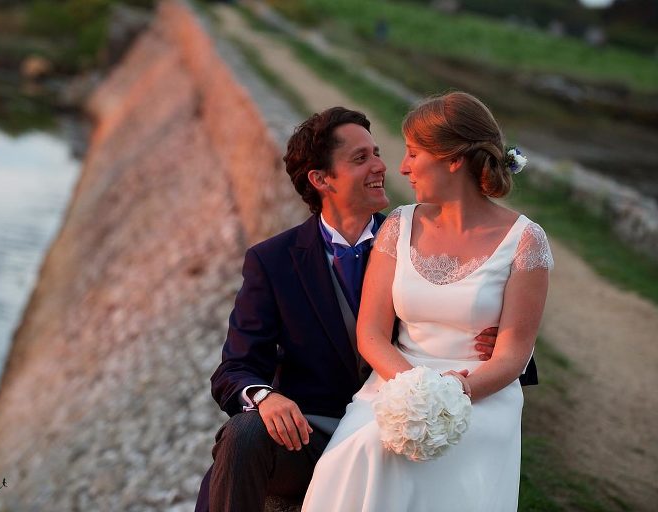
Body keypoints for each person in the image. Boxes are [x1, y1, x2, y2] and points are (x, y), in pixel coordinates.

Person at [195, 106, 516, 512]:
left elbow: (467, 311)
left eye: (378, 152)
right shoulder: (272, 261)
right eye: (361, 158)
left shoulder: (418, 241)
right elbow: (234, 367)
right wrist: (264, 397)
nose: (383, 166)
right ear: (321, 179)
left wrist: (503, 339)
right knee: (243, 433)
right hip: (309, 435)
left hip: (393, 432)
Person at [301, 91, 553, 511]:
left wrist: (459, 389)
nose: (402, 167)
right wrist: (413, 388)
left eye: (414, 153)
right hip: (395, 382)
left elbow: (513, 355)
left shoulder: (525, 241)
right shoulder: (398, 224)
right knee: (359, 452)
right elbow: (371, 333)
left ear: (453, 159)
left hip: (482, 395)